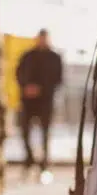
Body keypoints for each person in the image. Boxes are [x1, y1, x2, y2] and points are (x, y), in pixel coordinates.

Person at [15, 28, 63, 178]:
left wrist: (41, 89)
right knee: (24, 130)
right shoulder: (28, 56)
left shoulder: (54, 57)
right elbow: (18, 73)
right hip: (28, 101)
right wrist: (26, 87)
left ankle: (44, 163)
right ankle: (29, 159)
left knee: (45, 132)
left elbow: (58, 78)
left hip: (45, 101)